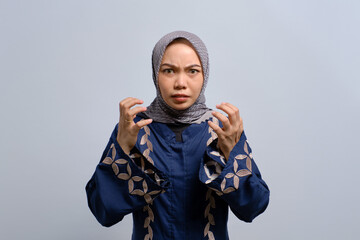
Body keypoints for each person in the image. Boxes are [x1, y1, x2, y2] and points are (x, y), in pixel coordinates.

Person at [86, 31, 269, 240]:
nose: (181, 83)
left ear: (205, 74)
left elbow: (253, 207)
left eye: (192, 71)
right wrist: (122, 149)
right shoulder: (135, 129)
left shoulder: (221, 131)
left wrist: (231, 154)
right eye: (169, 71)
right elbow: (103, 211)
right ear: (156, 73)